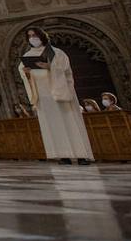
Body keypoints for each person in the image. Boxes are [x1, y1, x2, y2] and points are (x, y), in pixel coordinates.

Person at [18, 26, 93, 164]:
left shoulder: (56, 53)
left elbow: (66, 70)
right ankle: (63, 156)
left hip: (61, 92)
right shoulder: (28, 56)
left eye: (35, 35)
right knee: (53, 126)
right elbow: (24, 74)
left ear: (42, 36)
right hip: (44, 97)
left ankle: (81, 155)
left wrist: (49, 67)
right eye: (29, 36)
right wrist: (27, 72)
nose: (32, 38)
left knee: (71, 123)